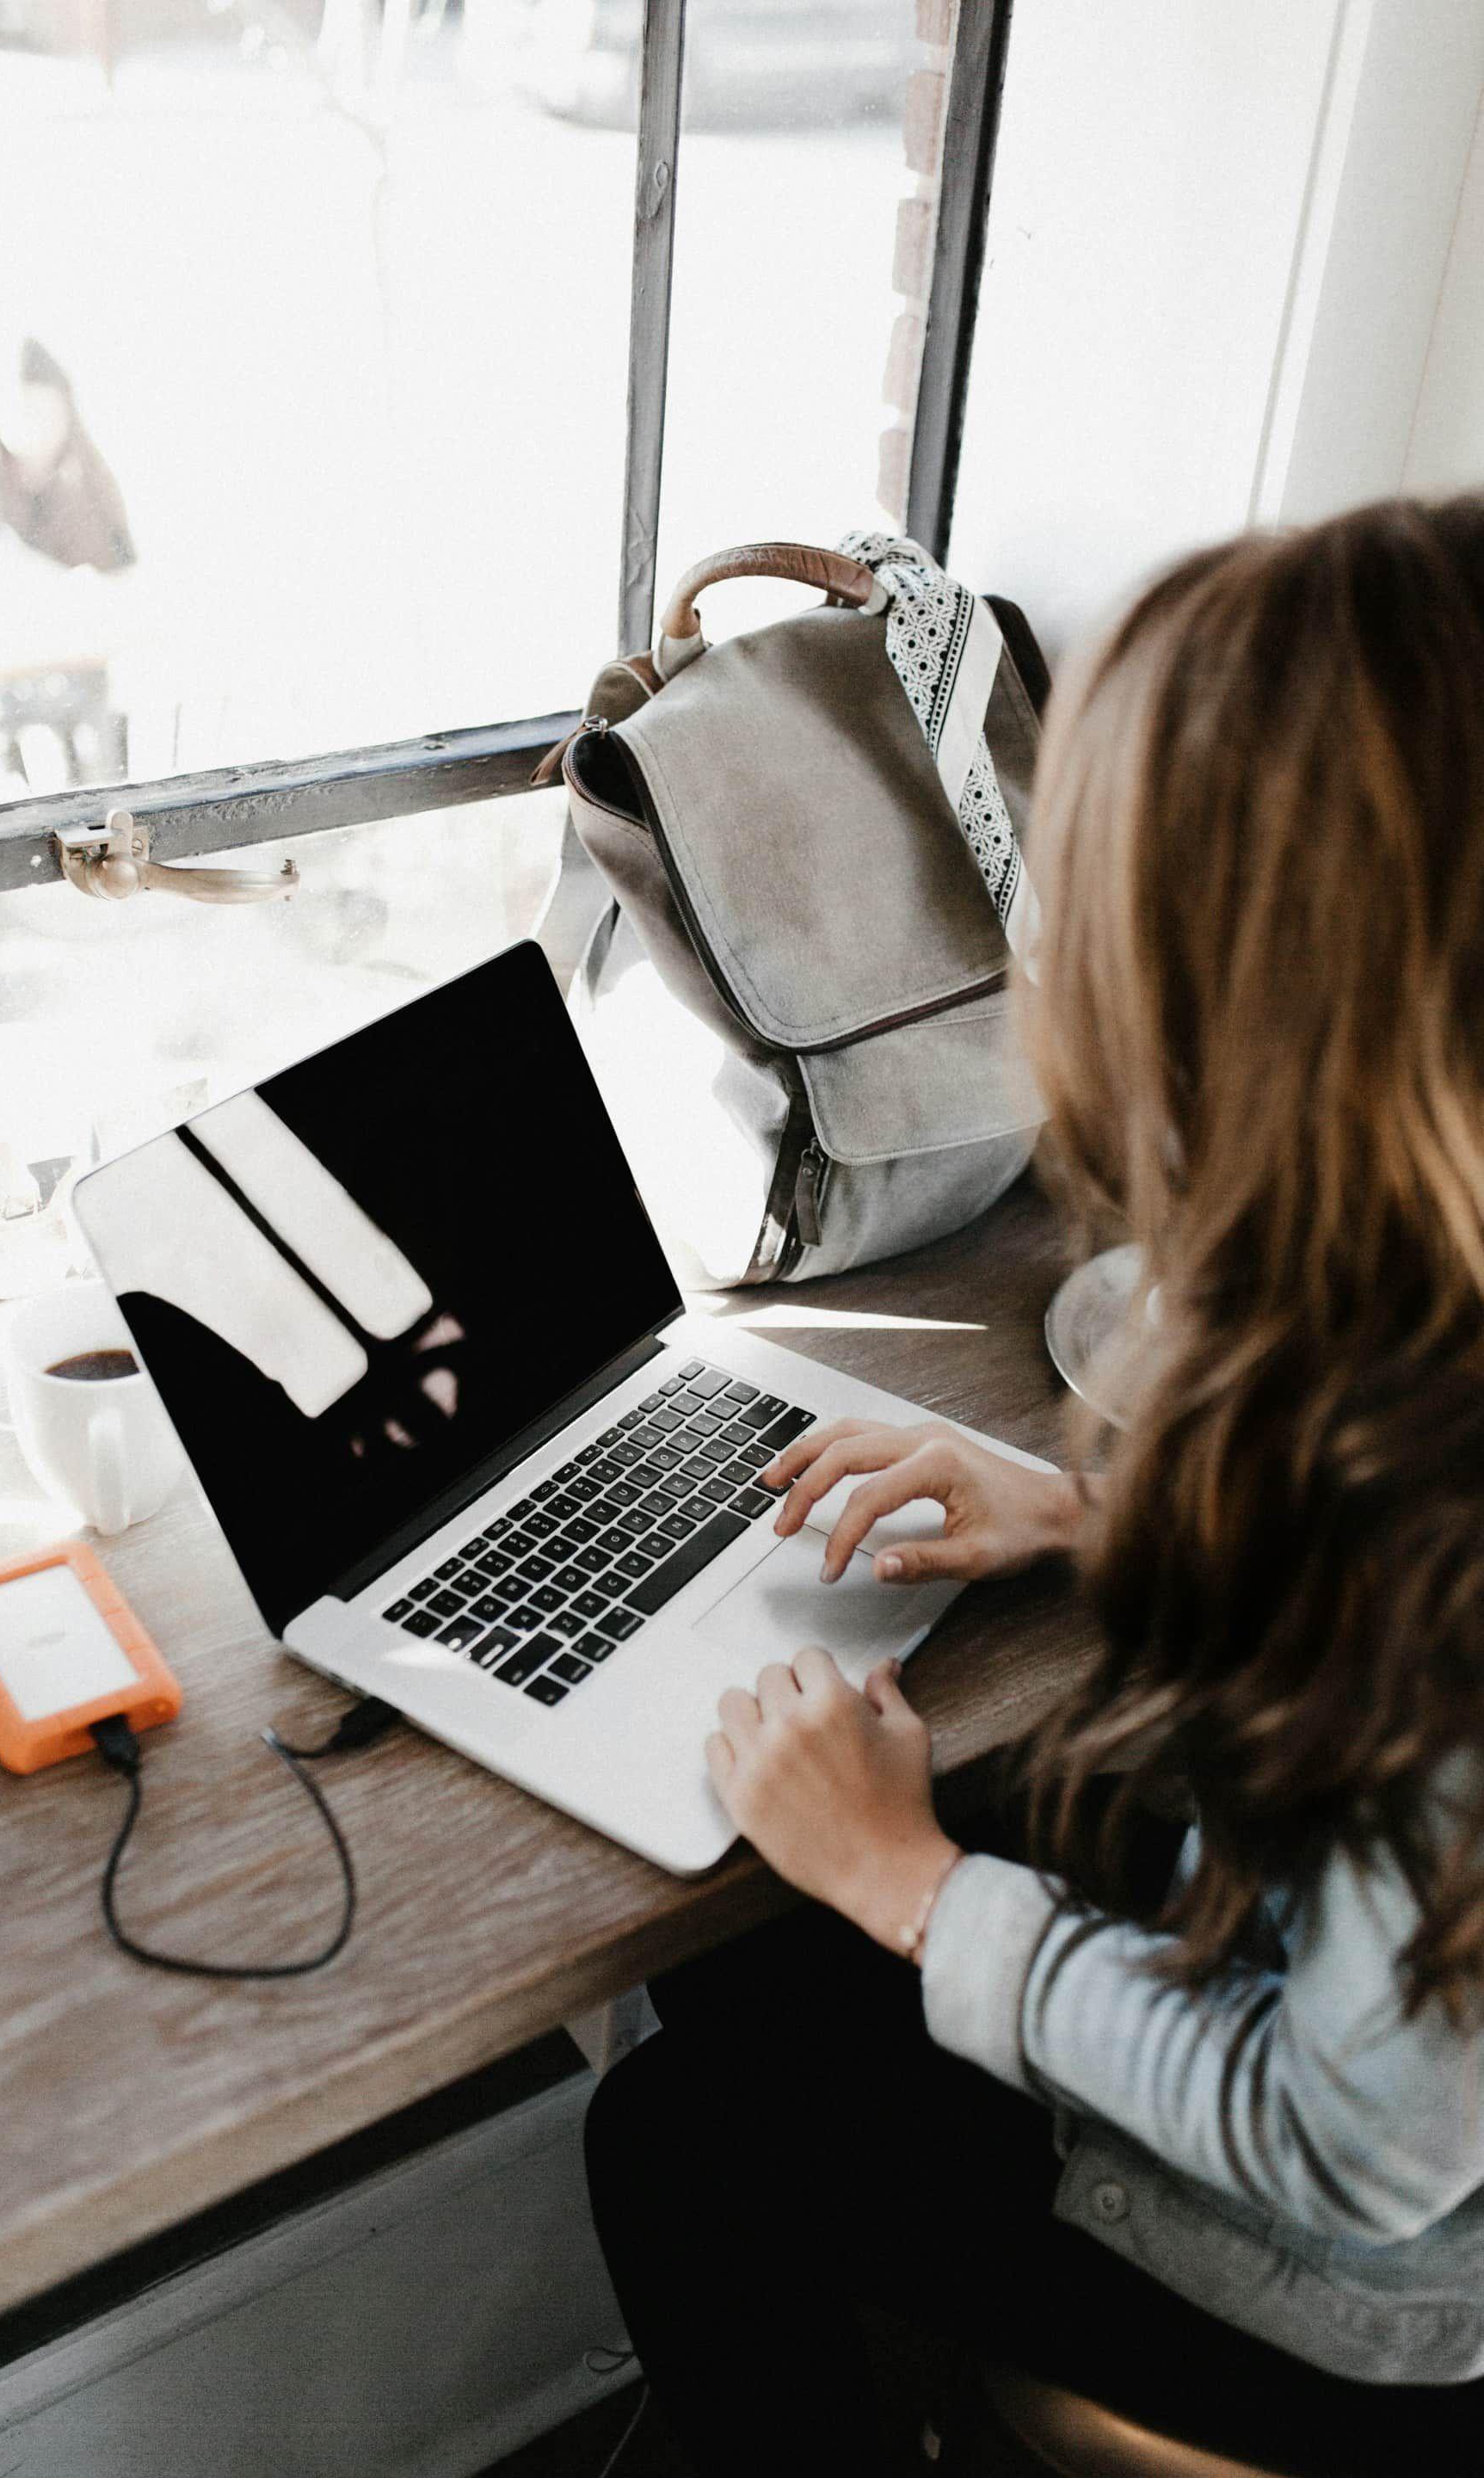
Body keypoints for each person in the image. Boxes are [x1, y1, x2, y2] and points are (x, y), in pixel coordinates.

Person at [583, 496, 1484, 2478]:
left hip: (1381, 2318)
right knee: (760, 1980)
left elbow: (1353, 2154)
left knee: (681, 2138)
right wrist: (1096, 1514)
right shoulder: (1412, 1352)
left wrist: (909, 1882)